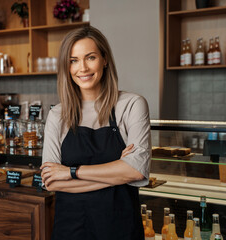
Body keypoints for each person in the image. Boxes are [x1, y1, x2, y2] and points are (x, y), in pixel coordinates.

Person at [40, 26, 151, 240]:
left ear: (105, 59)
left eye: (90, 57)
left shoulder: (131, 105)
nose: (82, 68)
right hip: (71, 229)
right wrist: (118, 174)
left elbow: (137, 171)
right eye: (73, 60)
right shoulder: (57, 114)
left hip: (120, 228)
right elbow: (51, 181)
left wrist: (70, 172)